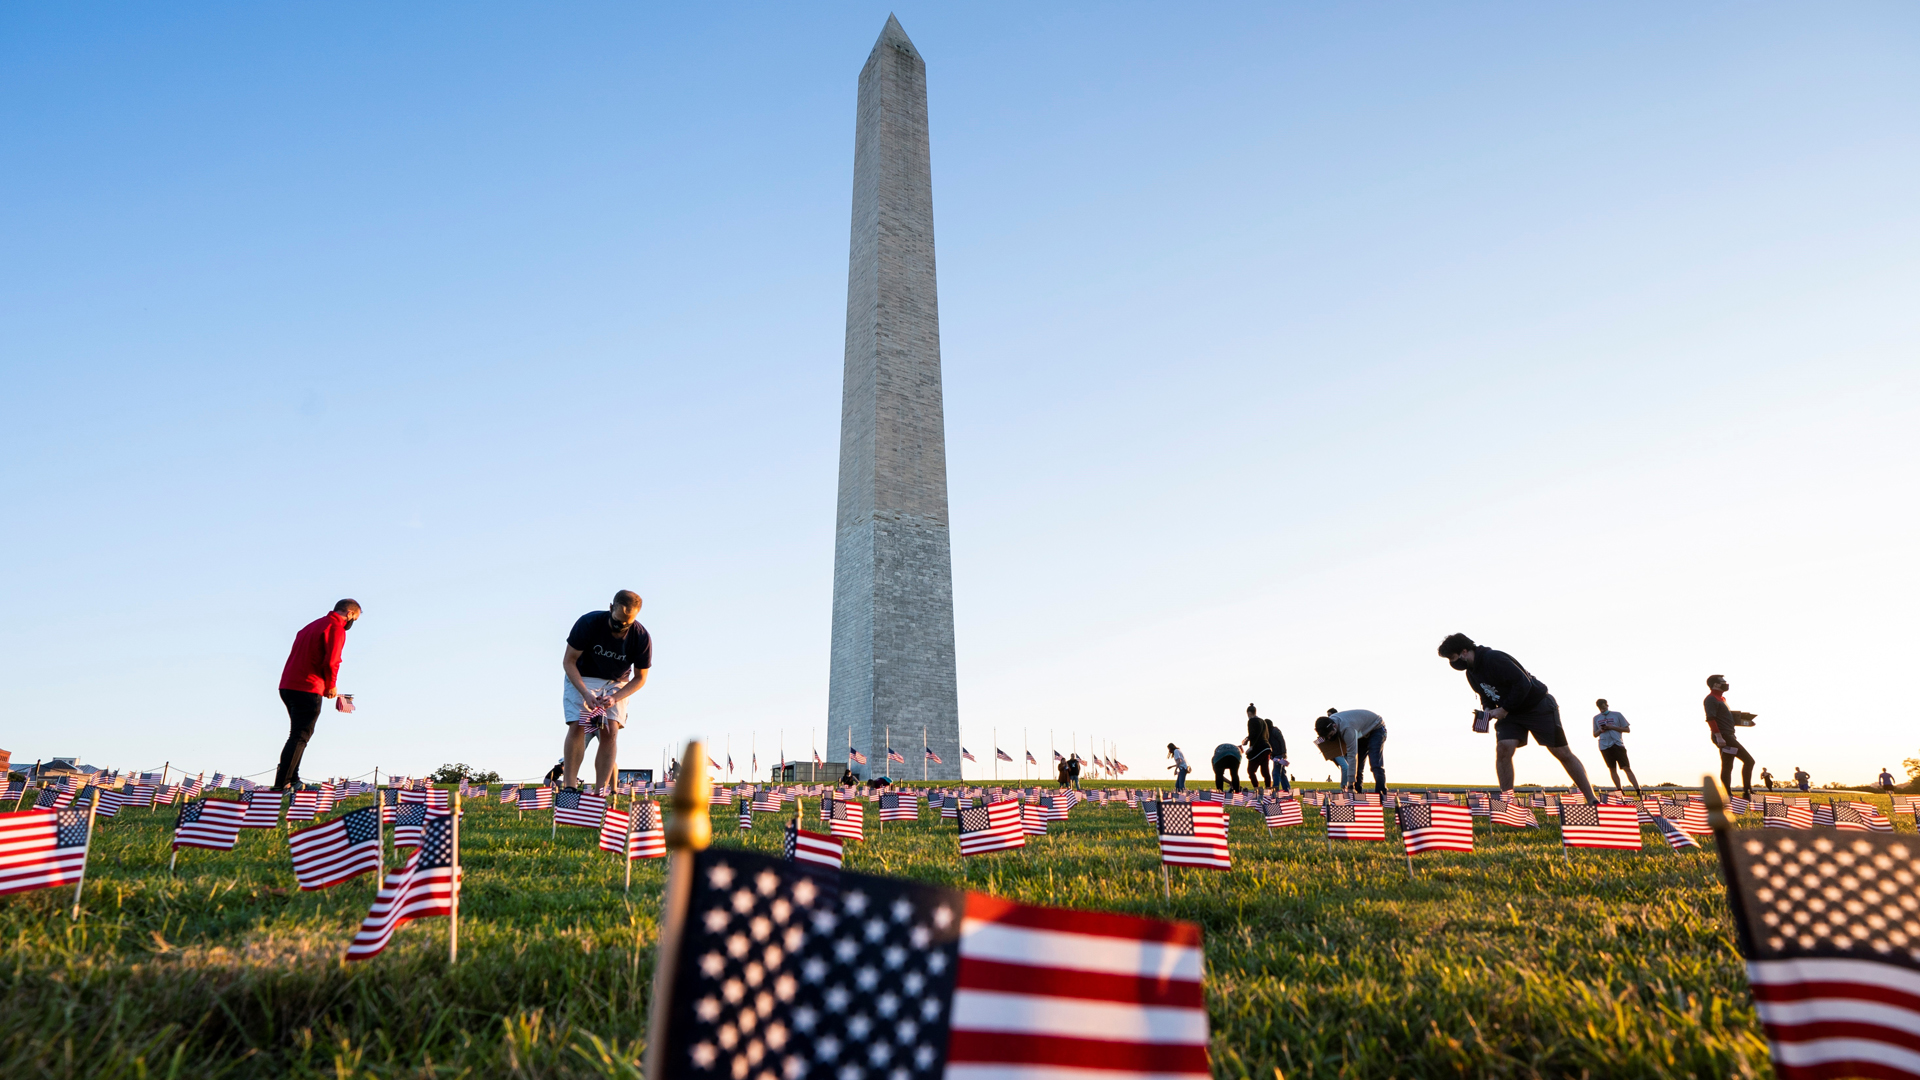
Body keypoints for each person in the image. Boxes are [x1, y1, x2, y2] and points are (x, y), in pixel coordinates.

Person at [1438, 633, 1597, 803]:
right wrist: (1488, 711)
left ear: (1464, 652)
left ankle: (1592, 799)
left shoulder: (1494, 658)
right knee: (1503, 748)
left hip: (1538, 706)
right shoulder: (1471, 673)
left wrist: (1505, 709)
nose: (1452, 663)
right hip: (1511, 713)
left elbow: (1523, 683)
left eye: (1452, 658)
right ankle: (1507, 803)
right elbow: (1485, 695)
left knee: (1562, 752)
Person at [562, 590, 653, 792]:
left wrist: (615, 697)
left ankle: (600, 791)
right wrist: (586, 693)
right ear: (610, 608)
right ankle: (569, 787)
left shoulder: (641, 637)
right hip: (583, 675)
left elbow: (640, 678)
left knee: (610, 730)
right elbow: (569, 662)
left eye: (626, 624)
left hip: (616, 682)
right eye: (617, 621)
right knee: (579, 723)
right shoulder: (588, 623)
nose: (620, 627)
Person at [274, 599, 361, 791]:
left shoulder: (310, 626)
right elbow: (332, 660)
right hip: (308, 687)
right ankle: (283, 783)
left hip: (288, 686)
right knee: (300, 735)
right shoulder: (335, 628)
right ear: (350, 614)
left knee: (297, 734)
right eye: (355, 618)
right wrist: (331, 685)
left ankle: (292, 778)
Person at [1702, 674, 1755, 801]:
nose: (1726, 683)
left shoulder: (1722, 699)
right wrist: (1719, 737)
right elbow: (1711, 719)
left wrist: (1742, 719)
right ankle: (1747, 792)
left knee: (1727, 765)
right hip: (1724, 736)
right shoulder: (1711, 699)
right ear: (1715, 684)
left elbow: (1724, 717)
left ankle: (1727, 794)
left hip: (1729, 735)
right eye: (1723, 682)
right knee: (1749, 761)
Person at [1315, 710, 1388, 794]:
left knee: (1375, 764)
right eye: (1327, 737)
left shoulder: (1347, 730)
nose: (1330, 738)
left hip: (1376, 728)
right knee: (1358, 768)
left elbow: (1352, 757)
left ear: (1334, 726)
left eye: (1331, 735)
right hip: (1361, 731)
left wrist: (1350, 785)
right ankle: (1357, 795)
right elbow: (1324, 739)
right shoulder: (1327, 723)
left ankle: (1381, 793)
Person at [1591, 698, 1642, 800]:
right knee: (1612, 769)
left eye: (1603, 706)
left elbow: (1627, 729)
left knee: (1626, 768)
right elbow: (1594, 734)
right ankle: (1619, 790)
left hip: (1617, 744)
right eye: (1600, 707)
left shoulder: (1617, 715)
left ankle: (1638, 790)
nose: (1602, 708)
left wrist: (1612, 727)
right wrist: (1601, 730)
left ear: (1607, 705)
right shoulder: (1596, 718)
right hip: (1604, 746)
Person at [1240, 704, 1274, 790]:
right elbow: (1265, 735)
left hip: (1258, 748)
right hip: (1267, 748)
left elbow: (1254, 734)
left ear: (1249, 713)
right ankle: (1268, 788)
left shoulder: (1251, 721)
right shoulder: (1263, 721)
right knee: (1265, 771)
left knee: (1251, 770)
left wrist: (1248, 741)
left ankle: (1257, 788)